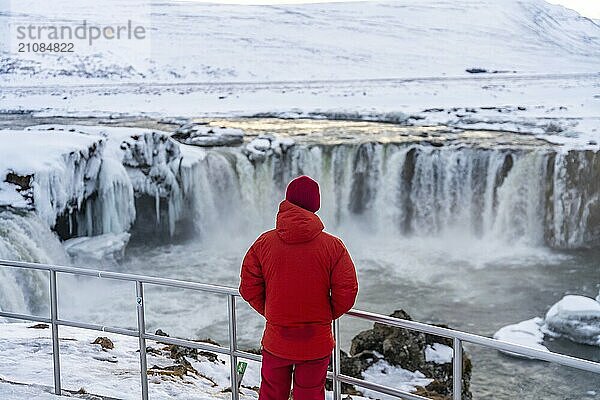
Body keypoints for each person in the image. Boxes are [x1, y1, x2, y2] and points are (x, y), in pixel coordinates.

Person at [240, 175, 359, 400]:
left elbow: (248, 287)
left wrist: (271, 310)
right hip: (316, 341)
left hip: (277, 339)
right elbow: (347, 290)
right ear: (316, 205)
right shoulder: (333, 246)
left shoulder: (263, 243)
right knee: (311, 395)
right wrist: (325, 314)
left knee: (272, 395)